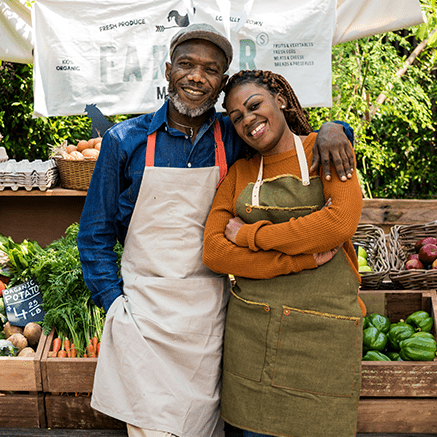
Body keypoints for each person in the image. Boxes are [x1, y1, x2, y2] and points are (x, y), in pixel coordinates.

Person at [77, 23, 356, 437]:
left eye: (210, 70)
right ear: (168, 70)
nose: (196, 76)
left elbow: (287, 133)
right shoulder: (125, 140)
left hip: (210, 317)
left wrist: (337, 129)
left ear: (220, 83)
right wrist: (115, 304)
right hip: (144, 317)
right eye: (186, 64)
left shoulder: (235, 134)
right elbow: (94, 234)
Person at [202, 69, 367, 437]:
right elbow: (214, 252)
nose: (248, 120)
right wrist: (297, 260)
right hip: (253, 339)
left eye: (254, 105)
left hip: (321, 340)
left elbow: (338, 224)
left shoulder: (325, 150)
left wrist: (250, 235)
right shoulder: (240, 174)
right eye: (237, 117)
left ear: (280, 98)